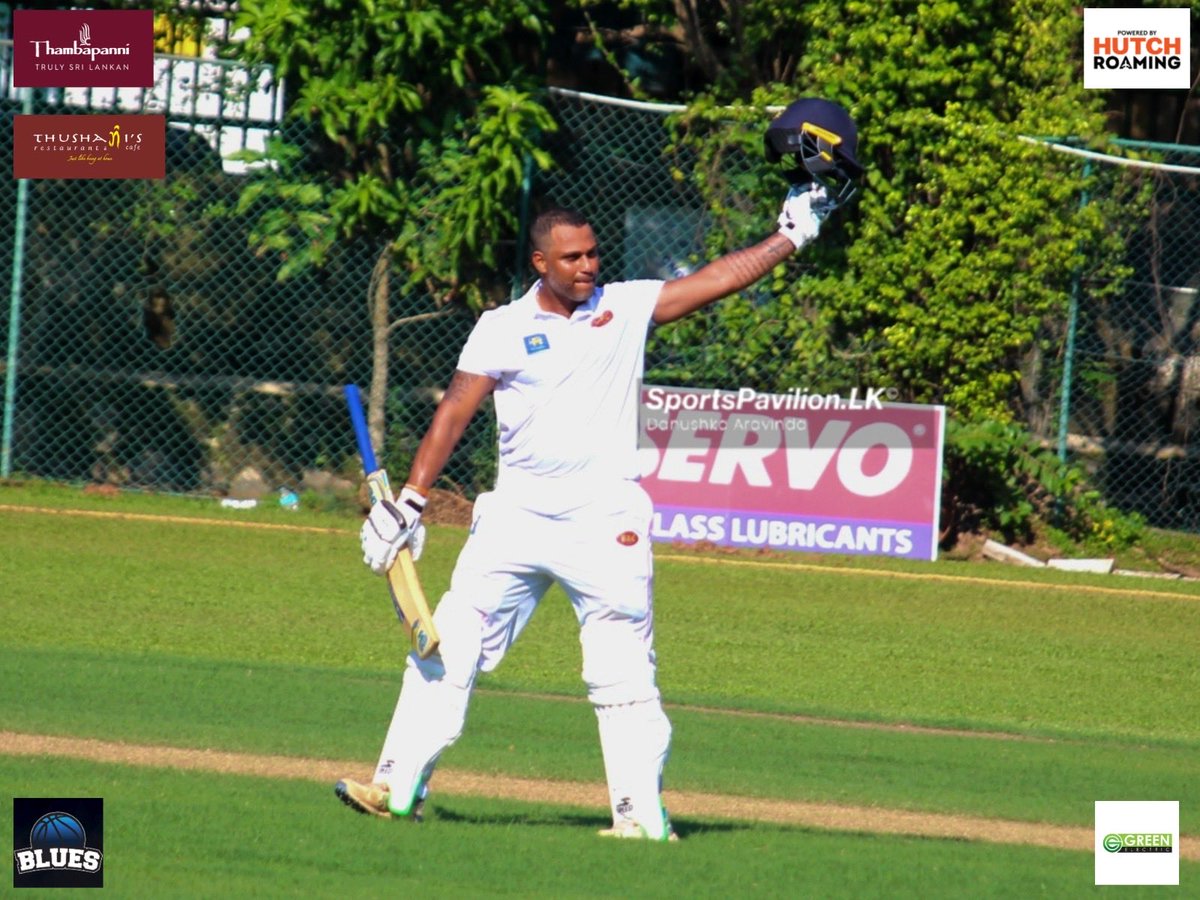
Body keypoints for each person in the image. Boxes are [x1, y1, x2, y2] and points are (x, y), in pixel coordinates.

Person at [335, 181, 835, 841]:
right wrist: (412, 503)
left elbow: (715, 280)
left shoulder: (624, 308)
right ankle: (396, 788)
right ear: (540, 263)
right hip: (514, 518)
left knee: (620, 670)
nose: (589, 266)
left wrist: (790, 236)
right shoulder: (502, 328)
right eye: (572, 258)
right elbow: (454, 411)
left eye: (594, 254)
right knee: (446, 644)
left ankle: (639, 817)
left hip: (605, 521)